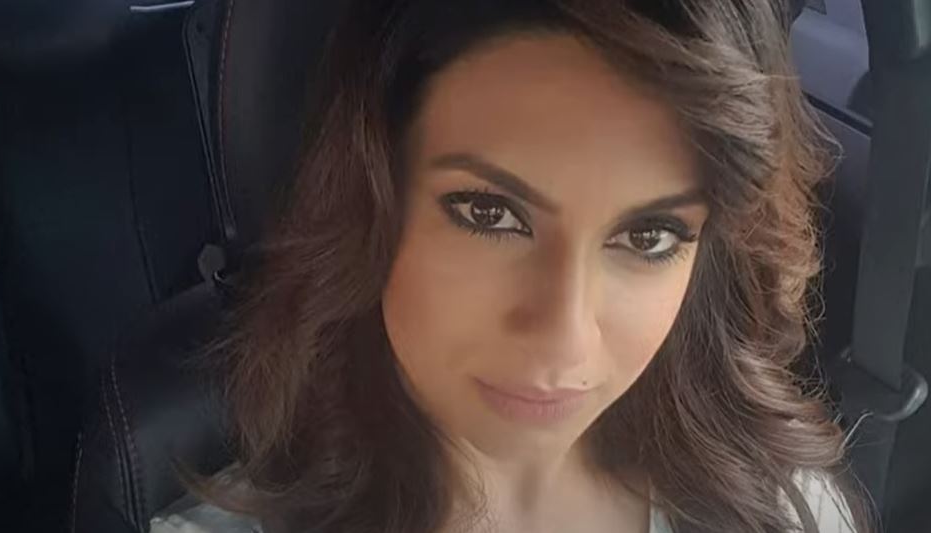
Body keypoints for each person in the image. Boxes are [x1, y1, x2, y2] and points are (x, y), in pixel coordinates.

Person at [151, 1, 873, 531]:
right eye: (489, 215)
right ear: (370, 205)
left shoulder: (789, 510)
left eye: (649, 237)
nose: (564, 341)